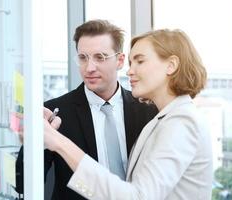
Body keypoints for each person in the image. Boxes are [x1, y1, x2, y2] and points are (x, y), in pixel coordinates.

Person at [44, 29, 213, 200]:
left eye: (140, 61)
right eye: (131, 63)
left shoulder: (182, 121)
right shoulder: (163, 119)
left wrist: (58, 142)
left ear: (171, 65)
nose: (130, 71)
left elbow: (137, 197)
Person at [15, 19, 157, 199]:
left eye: (100, 57)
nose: (89, 68)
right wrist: (31, 144)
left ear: (120, 61)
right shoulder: (55, 113)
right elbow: (22, 184)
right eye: (83, 58)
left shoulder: (147, 111)